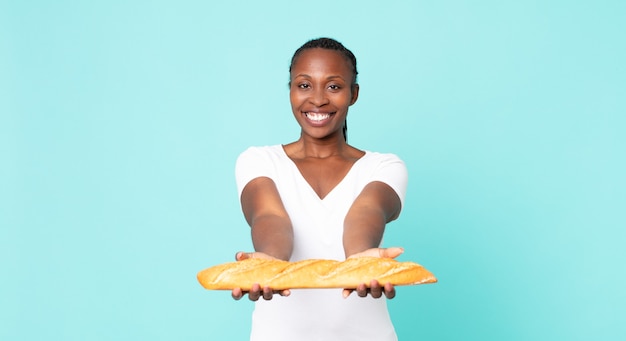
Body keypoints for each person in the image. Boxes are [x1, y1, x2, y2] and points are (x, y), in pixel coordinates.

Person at [231, 37, 408, 341]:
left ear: (354, 94)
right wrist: (270, 262)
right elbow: (269, 215)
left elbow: (366, 212)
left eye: (334, 86)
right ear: (290, 90)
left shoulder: (385, 166)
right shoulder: (258, 160)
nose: (317, 99)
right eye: (304, 85)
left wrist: (360, 262)